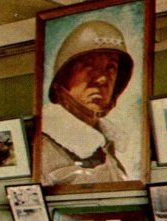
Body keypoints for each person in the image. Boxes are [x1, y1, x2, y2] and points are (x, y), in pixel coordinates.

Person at [40, 19, 134, 186]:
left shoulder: (109, 148)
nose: (102, 79)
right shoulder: (42, 143)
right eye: (89, 66)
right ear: (64, 77)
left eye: (111, 67)